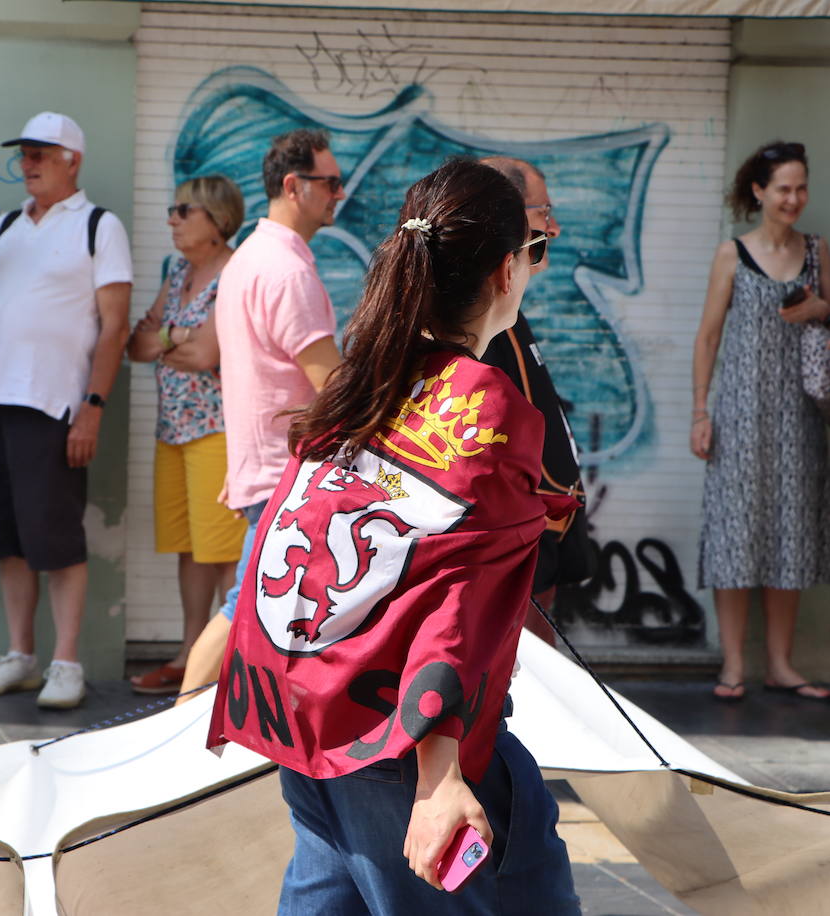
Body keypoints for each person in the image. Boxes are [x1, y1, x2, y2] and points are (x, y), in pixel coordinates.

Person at [208, 158, 579, 914]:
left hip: (304, 713)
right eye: (534, 252)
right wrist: (441, 776)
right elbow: (461, 598)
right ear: (506, 273)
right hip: (397, 739)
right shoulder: (485, 406)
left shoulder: (367, 376)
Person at [0, 112, 132, 709]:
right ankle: (21, 655)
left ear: (72, 159)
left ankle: (67, 661)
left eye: (41, 154)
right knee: (9, 538)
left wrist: (92, 409)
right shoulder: (3, 228)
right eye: (24, 153)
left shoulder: (99, 227)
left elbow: (115, 326)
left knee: (55, 537)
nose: (28, 163)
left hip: (54, 402)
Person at [175, 129, 343, 702]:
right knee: (241, 605)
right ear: (294, 186)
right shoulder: (287, 273)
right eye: (330, 183)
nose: (339, 194)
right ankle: (175, 731)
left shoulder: (248, 258)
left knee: (270, 611)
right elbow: (334, 386)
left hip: (266, 469)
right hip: (287, 475)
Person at [691, 140, 830, 703]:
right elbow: (708, 337)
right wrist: (701, 411)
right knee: (733, 536)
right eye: (783, 189)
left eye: (801, 188)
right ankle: (733, 665)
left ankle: (780, 664)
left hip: (799, 416)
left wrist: (823, 309)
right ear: (759, 192)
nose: (793, 199)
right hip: (739, 416)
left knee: (790, 538)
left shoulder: (820, 252)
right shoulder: (732, 254)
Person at [126, 176, 248, 694]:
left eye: (183, 210)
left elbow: (207, 355)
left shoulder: (233, 271)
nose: (172, 219)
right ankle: (190, 654)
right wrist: (177, 336)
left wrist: (167, 338)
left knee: (222, 551)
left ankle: (231, 667)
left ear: (217, 220)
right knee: (189, 548)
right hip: (173, 431)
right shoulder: (179, 273)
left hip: (217, 431)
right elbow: (136, 343)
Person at [479, 157, 590, 646]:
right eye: (545, 212)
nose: (556, 228)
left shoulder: (506, 307)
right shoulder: (480, 314)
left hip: (533, 546)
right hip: (509, 552)